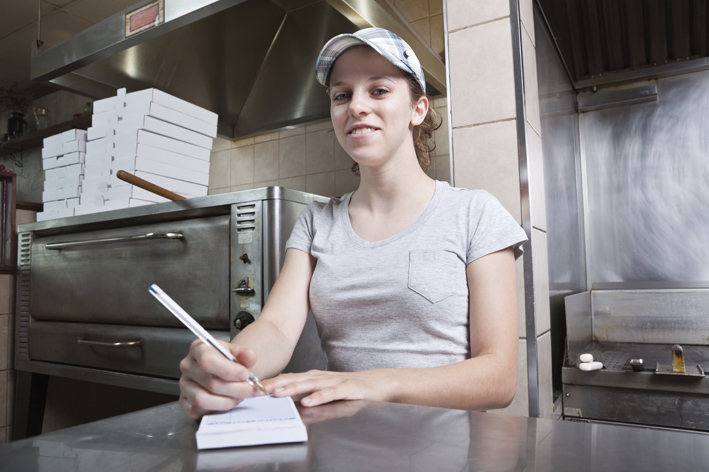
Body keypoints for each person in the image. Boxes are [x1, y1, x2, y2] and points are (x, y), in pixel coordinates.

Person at [178, 28, 528, 419]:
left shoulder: (475, 213)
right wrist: (230, 363)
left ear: (418, 109)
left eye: (378, 90)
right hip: (340, 446)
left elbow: (499, 377)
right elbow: (276, 327)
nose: (356, 106)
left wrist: (375, 383)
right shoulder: (316, 224)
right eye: (341, 95)